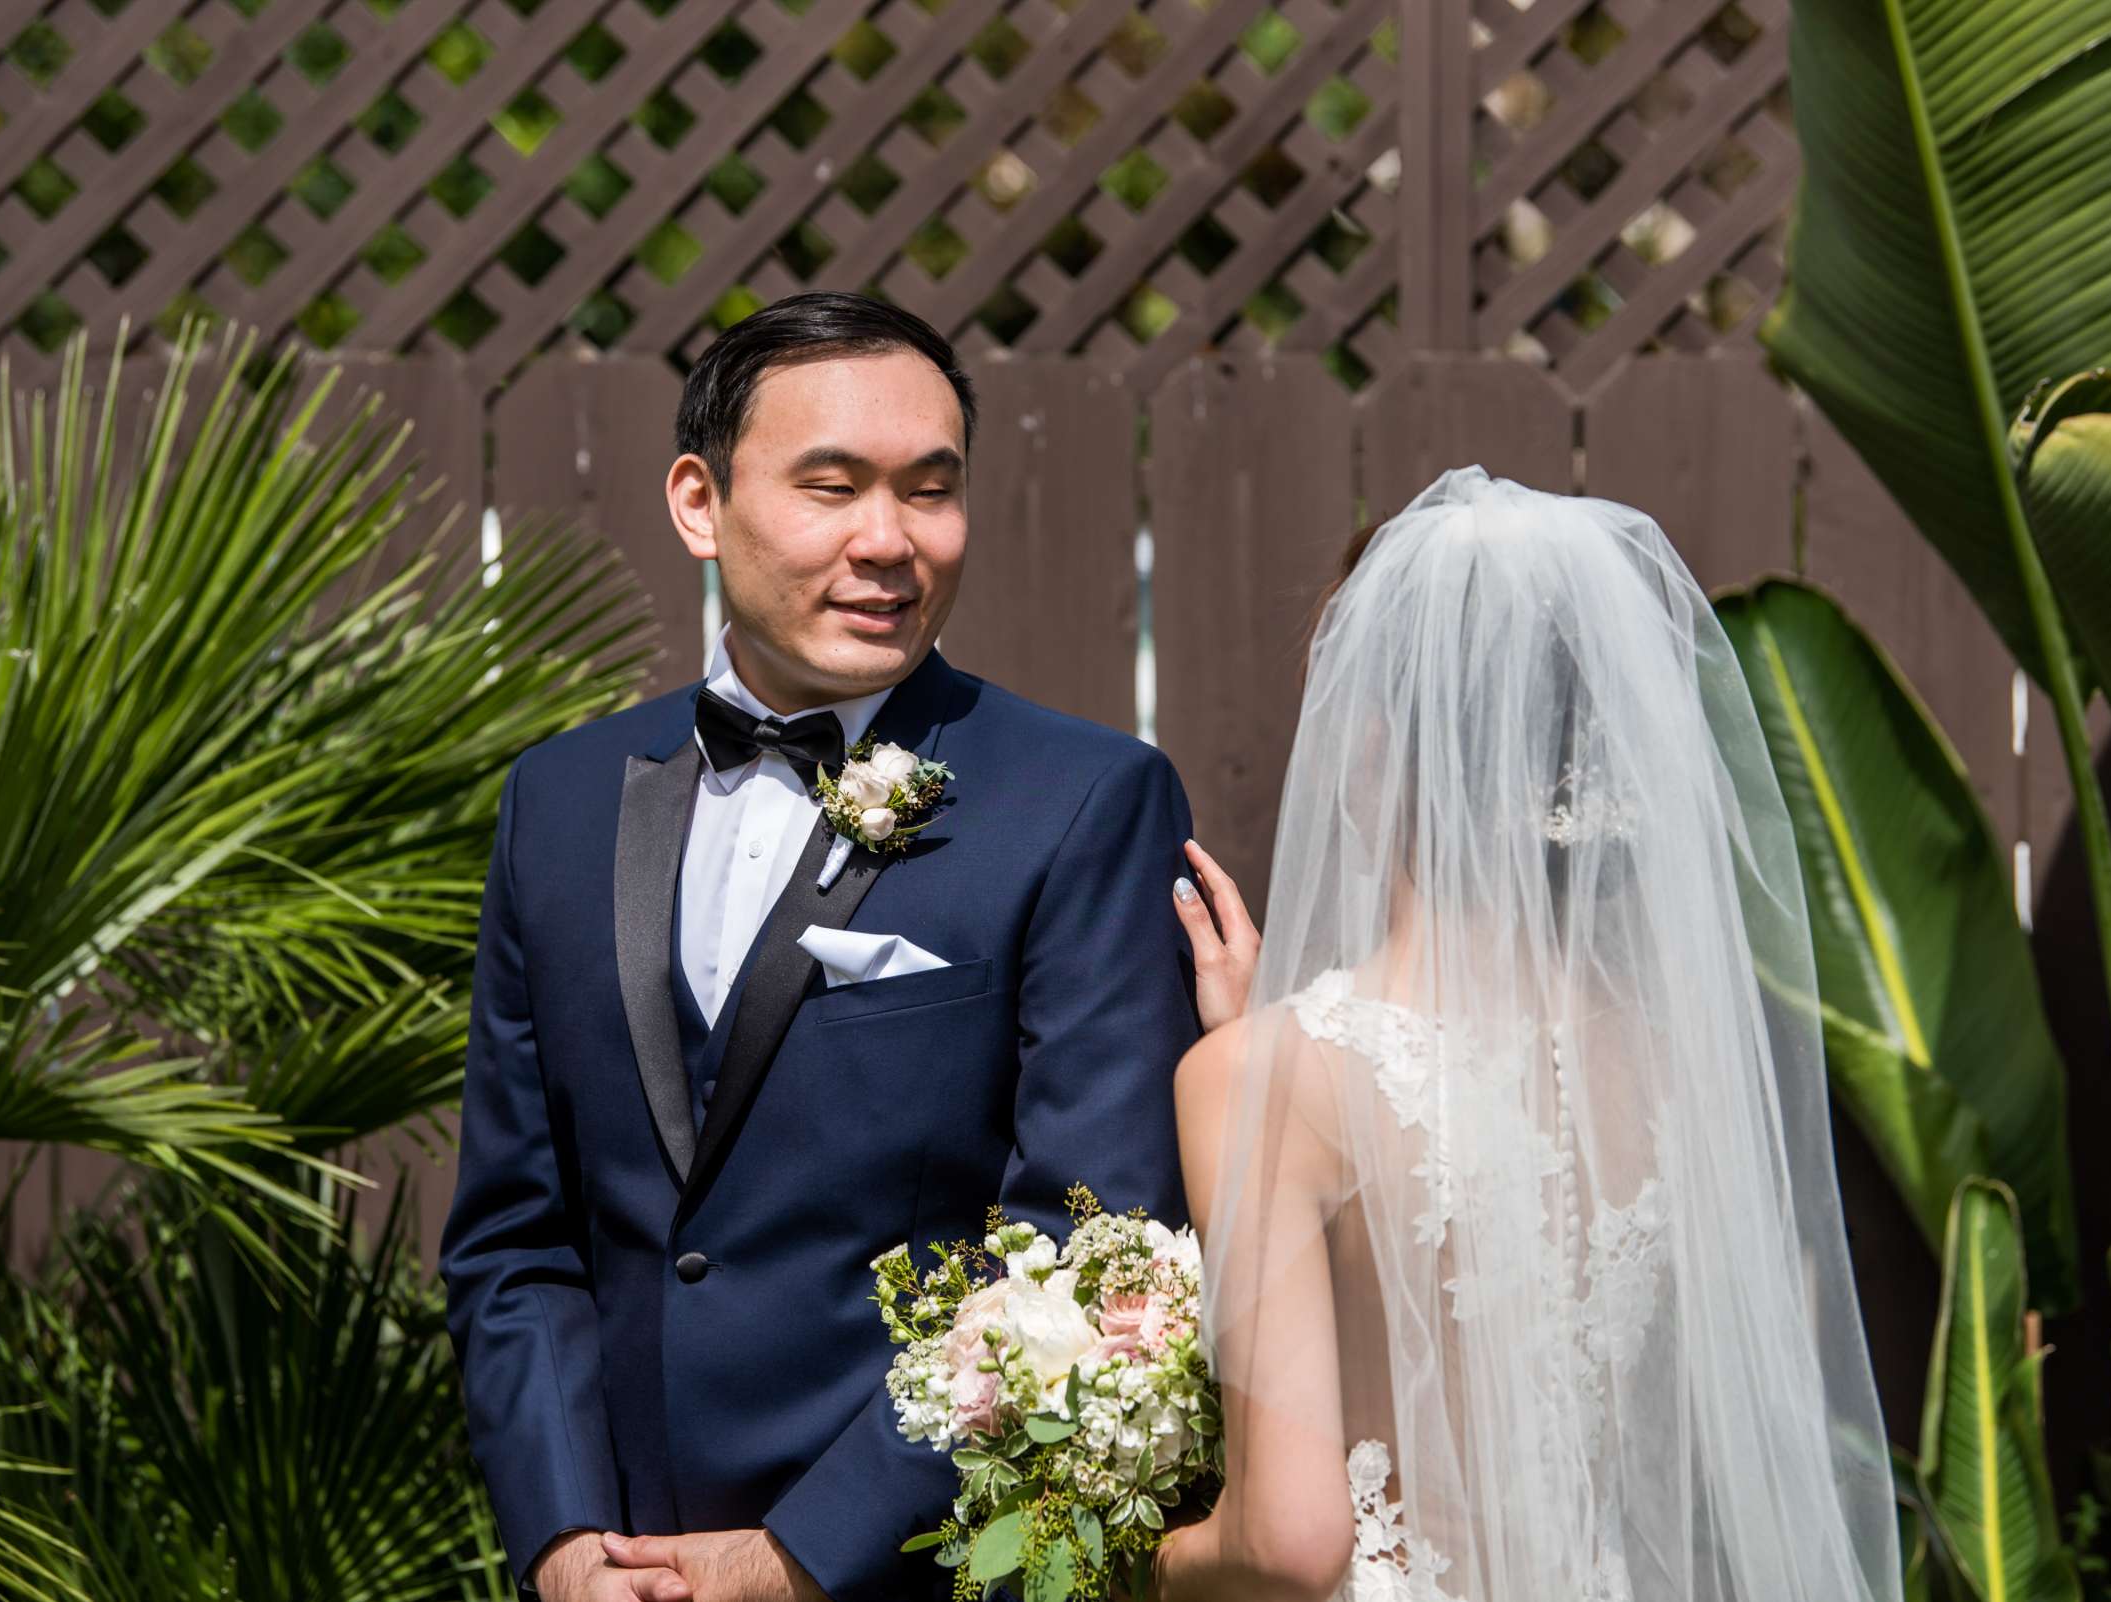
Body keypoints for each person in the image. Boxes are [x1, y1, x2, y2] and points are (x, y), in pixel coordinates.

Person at [439, 291, 1207, 1602]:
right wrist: (565, 1540)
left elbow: (1084, 1245)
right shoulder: (558, 802)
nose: (890, 540)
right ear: (700, 502)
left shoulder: (1082, 802)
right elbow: (516, 1234)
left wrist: (794, 1559)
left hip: (910, 1568)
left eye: (930, 489)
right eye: (832, 485)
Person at [1156, 469, 1901, 1602]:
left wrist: (1145, 1559)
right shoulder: (1670, 1053)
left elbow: (1289, 1545)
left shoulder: (1267, 1079)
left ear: (1363, 751)